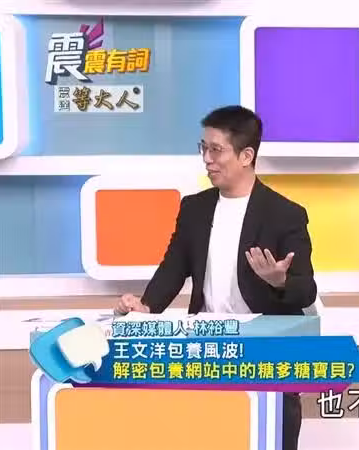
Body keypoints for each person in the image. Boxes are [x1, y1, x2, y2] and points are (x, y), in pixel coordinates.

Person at [114, 105, 316, 450]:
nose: (207, 159)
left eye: (216, 150)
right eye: (203, 148)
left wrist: (278, 281)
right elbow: (174, 266)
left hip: (265, 354)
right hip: (208, 350)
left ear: (246, 156)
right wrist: (146, 307)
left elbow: (305, 290)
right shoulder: (194, 208)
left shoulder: (285, 214)